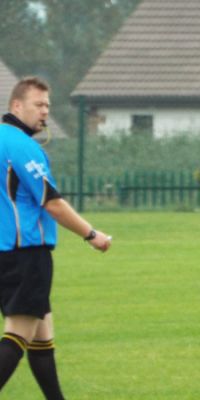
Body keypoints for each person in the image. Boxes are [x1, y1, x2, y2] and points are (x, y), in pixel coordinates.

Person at [0, 77, 112, 399]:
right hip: (26, 254)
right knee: (18, 335)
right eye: (38, 104)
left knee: (41, 335)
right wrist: (92, 234)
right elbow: (53, 204)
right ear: (16, 105)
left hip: (5, 253)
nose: (45, 112)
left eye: (47, 105)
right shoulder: (23, 147)